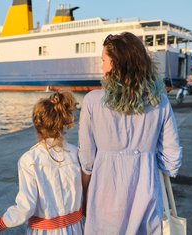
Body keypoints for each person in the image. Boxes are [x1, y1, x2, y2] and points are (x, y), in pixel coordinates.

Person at [78, 32, 182, 234]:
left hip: (104, 197)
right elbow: (172, 160)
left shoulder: (92, 101)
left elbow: (87, 161)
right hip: (146, 196)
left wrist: (83, 196)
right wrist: (146, 158)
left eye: (104, 61)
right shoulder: (159, 101)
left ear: (116, 64)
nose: (102, 66)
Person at [0, 91, 84, 234]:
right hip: (75, 228)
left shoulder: (30, 160)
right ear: (63, 122)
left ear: (36, 124)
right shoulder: (77, 154)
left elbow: (26, 207)